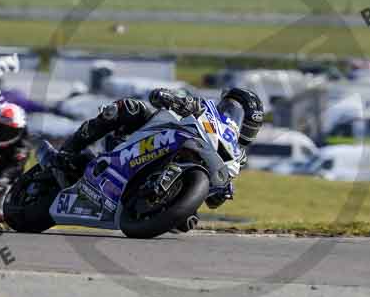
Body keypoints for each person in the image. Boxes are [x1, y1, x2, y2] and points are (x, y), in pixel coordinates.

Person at [56, 87, 264, 208]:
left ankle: (158, 204)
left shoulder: (237, 157)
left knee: (186, 221)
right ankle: (68, 151)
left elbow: (213, 203)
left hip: (161, 208)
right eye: (244, 120)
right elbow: (161, 96)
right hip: (152, 136)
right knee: (128, 108)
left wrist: (222, 191)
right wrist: (169, 97)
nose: (243, 128)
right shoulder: (203, 109)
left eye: (250, 127)